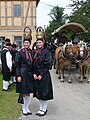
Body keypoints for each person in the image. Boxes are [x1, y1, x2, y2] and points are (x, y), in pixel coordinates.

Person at [32, 27, 53, 117]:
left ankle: (43, 109)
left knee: (44, 93)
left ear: (43, 43)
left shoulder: (47, 52)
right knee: (39, 93)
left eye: (40, 42)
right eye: (37, 42)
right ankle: (41, 108)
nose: (38, 44)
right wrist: (34, 73)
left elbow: (48, 65)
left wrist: (41, 74)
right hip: (36, 75)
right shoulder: (35, 52)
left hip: (43, 75)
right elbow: (32, 64)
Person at [15, 29, 33, 116]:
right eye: (25, 43)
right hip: (22, 73)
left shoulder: (31, 52)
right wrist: (18, 75)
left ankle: (27, 107)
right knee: (23, 91)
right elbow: (17, 65)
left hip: (29, 74)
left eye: (28, 43)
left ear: (30, 44)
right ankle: (23, 108)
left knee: (28, 92)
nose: (26, 44)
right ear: (23, 43)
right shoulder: (19, 53)